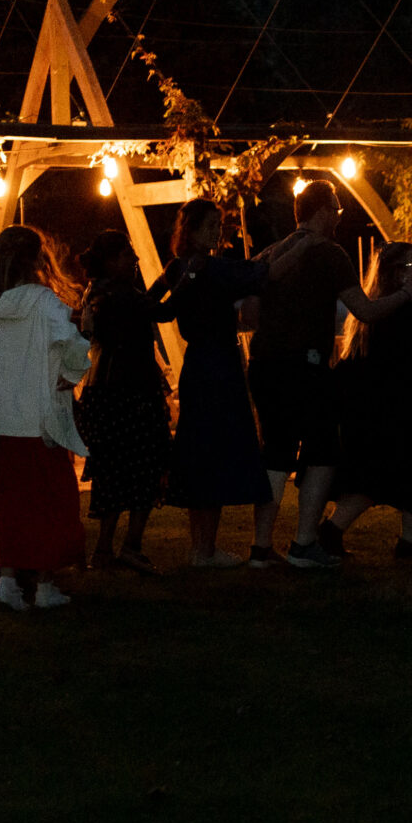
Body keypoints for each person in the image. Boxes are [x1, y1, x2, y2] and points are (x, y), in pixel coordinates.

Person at [247, 179, 412, 568]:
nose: (339, 218)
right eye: (338, 210)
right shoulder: (330, 254)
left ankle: (261, 548)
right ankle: (304, 543)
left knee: (275, 455)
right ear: (324, 210)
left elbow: (248, 314)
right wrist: (406, 295)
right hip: (305, 368)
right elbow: (365, 311)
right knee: (324, 454)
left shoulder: (269, 254)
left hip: (264, 365)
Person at [0, 225, 91, 611]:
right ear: (38, 259)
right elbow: (74, 343)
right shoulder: (43, 301)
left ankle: (8, 582)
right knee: (50, 505)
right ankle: (46, 584)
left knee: (7, 508)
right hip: (39, 421)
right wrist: (68, 377)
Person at [322, 244, 412, 558]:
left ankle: (338, 531)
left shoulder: (374, 308)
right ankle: (406, 540)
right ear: (400, 273)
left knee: (377, 472)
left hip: (375, 402)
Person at [147, 198, 271, 567]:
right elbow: (258, 273)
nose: (218, 231)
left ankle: (201, 546)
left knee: (200, 447)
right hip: (217, 363)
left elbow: (156, 305)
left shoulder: (181, 268)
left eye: (219, 224)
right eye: (212, 225)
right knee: (212, 450)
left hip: (199, 364)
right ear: (193, 229)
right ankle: (205, 548)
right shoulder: (208, 269)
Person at [75, 230, 171, 575]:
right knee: (145, 466)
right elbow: (162, 312)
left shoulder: (100, 292)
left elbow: (146, 306)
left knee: (112, 472)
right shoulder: (118, 295)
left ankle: (104, 550)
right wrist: (185, 278)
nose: (135, 260)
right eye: (128, 255)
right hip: (130, 393)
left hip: (104, 392)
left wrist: (164, 281)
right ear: (113, 259)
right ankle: (129, 546)